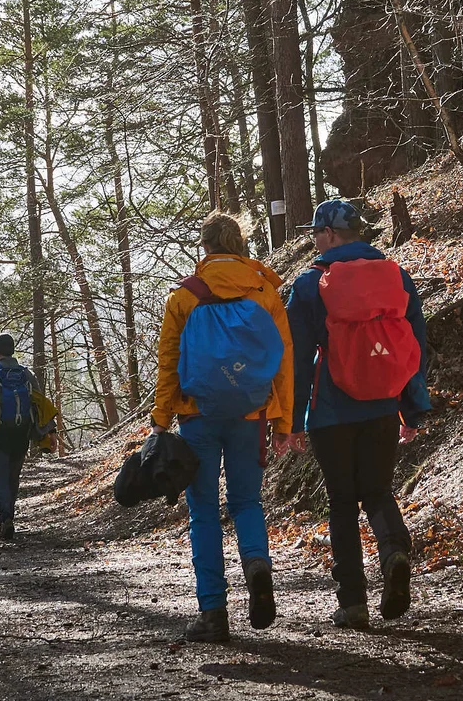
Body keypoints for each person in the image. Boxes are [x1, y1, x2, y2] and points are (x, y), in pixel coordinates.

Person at [283, 199, 432, 630]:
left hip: (331, 412)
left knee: (342, 502)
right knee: (379, 491)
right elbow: (414, 348)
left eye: (315, 232)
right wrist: (412, 408)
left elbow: (295, 357)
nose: (313, 239)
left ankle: (352, 603)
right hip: (383, 404)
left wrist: (290, 421)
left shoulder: (311, 284)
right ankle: (394, 552)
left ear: (328, 235)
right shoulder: (396, 276)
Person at [152, 213, 293, 644]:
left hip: (198, 417)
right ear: (239, 245)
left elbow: (169, 363)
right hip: (250, 416)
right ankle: (256, 565)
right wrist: (283, 419)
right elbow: (283, 358)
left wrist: (160, 421)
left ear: (206, 246)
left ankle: (213, 613)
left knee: (204, 513)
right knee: (247, 501)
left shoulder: (185, 296)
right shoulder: (265, 292)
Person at [0, 332, 55, 541]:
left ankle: (5, 516)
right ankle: (9, 515)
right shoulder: (25, 373)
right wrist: (49, 431)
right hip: (22, 432)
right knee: (13, 476)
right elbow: (40, 403)